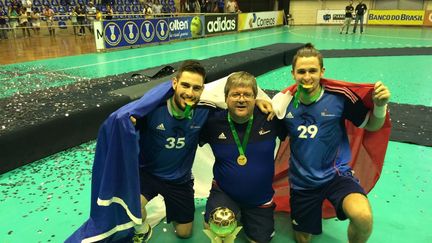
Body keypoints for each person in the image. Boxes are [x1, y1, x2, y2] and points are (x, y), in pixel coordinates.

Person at [65, 61, 273, 243]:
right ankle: (142, 229)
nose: (190, 92)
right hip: (148, 175)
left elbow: (232, 108)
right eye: (185, 85)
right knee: (132, 207)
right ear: (174, 83)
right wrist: (128, 125)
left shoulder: (204, 112)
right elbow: (125, 123)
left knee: (184, 233)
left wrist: (262, 103)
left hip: (179, 182)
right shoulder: (151, 110)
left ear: (202, 91)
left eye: (196, 88)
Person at [272, 43, 390, 243]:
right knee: (302, 238)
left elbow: (371, 126)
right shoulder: (283, 105)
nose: (307, 76)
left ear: (322, 71)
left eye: (312, 70)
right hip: (302, 184)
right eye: (301, 71)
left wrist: (380, 106)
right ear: (293, 74)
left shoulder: (339, 98)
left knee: (363, 218)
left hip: (336, 176)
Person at [201, 72, 286, 243]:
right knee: (214, 230)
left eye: (247, 95)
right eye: (235, 94)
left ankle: (249, 217)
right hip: (225, 192)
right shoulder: (212, 122)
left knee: (260, 240)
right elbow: (188, 105)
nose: (241, 99)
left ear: (255, 98)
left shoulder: (271, 118)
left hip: (259, 198)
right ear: (226, 98)